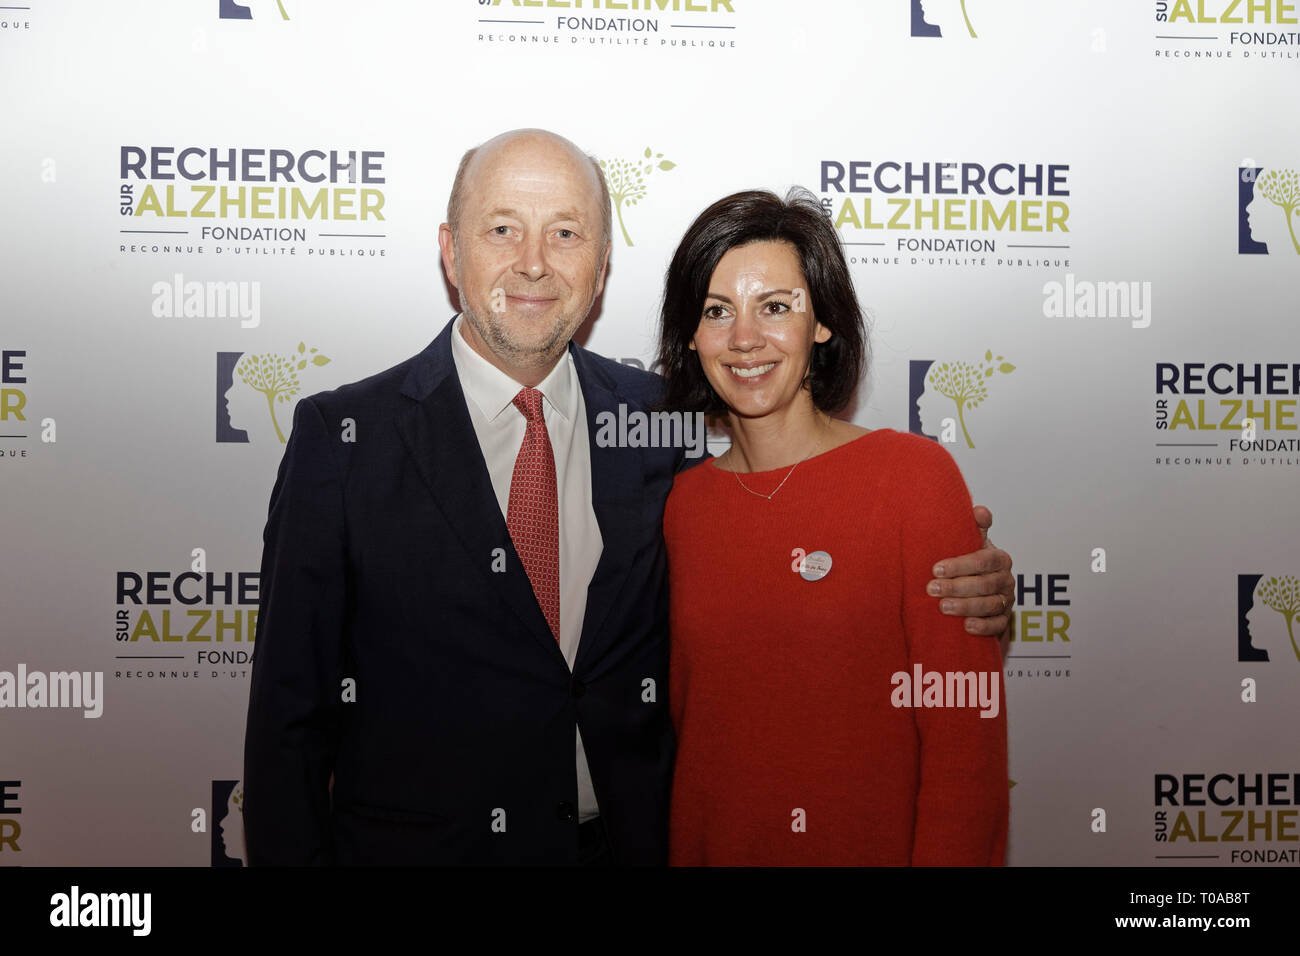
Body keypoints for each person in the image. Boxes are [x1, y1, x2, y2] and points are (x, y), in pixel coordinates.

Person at [243, 129, 1014, 866]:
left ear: (604, 266)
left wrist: (958, 571)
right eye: (503, 229)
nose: (535, 264)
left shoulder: (659, 426)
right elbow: (288, 730)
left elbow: (801, 547)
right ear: (451, 250)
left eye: (567, 234)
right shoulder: (342, 440)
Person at [659, 188, 1008, 865]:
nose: (745, 339)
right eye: (716, 310)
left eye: (776, 307)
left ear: (821, 322)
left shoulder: (911, 478)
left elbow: (966, 748)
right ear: (691, 336)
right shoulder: (680, 507)